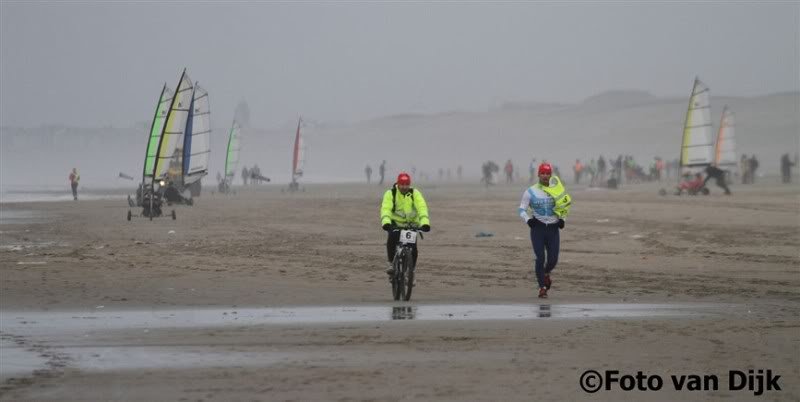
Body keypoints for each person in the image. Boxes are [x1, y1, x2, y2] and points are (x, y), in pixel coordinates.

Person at [518, 163, 571, 299]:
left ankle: (546, 273)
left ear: (551, 175)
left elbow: (564, 206)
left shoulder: (557, 190)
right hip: (538, 228)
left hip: (553, 229)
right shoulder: (531, 191)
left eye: (548, 173)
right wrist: (529, 220)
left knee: (553, 259)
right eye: (543, 173)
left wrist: (562, 219)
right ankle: (542, 288)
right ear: (538, 175)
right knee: (540, 258)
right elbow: (522, 209)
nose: (545, 176)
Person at [380, 172, 430, 275]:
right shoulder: (391, 193)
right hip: (395, 224)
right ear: (398, 184)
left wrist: (425, 223)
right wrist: (386, 223)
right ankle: (391, 263)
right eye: (402, 184)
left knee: (414, 249)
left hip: (411, 225)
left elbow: (422, 208)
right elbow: (386, 209)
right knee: (392, 239)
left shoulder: (415, 193)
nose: (404, 187)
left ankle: (411, 272)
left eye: (406, 184)